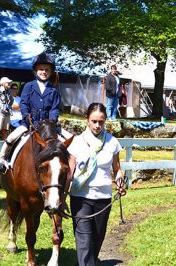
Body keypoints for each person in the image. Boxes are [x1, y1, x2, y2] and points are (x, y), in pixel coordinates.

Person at [67, 102, 126, 266]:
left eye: (101, 121)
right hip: (80, 197)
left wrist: (120, 180)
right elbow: (69, 173)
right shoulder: (77, 142)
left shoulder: (112, 142)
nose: (97, 125)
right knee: (84, 241)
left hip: (103, 198)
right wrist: (62, 196)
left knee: (96, 239)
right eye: (94, 121)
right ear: (87, 120)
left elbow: (117, 169)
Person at [0, 52, 61, 174]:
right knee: (11, 137)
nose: (44, 72)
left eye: (47, 70)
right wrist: (26, 116)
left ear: (51, 72)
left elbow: (55, 108)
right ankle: (1, 159)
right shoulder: (28, 86)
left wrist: (52, 121)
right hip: (29, 123)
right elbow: (23, 104)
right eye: (41, 69)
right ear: (36, 71)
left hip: (48, 126)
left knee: (68, 139)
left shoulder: (53, 90)